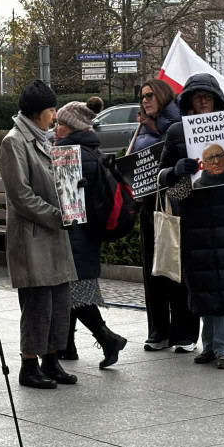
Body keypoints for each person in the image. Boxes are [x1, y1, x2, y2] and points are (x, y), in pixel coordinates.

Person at [159, 73, 224, 369]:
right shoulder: (176, 133)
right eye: (197, 97)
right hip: (194, 217)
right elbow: (160, 179)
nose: (203, 102)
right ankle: (209, 344)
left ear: (216, 101)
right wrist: (176, 170)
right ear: (187, 101)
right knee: (202, 284)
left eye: (208, 97)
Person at [0, 80, 79, 389]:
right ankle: (29, 364)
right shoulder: (14, 142)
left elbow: (56, 182)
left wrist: (74, 193)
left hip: (54, 232)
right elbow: (20, 195)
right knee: (37, 304)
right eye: (51, 109)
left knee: (59, 300)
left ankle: (51, 359)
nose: (55, 115)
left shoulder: (45, 139)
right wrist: (58, 215)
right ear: (36, 112)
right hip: (33, 236)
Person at [54, 101, 128, 368]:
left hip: (74, 232)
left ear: (71, 127)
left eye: (59, 123)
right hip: (88, 231)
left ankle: (109, 339)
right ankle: (67, 346)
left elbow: (63, 197)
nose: (55, 128)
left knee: (76, 293)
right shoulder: (90, 148)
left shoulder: (68, 151)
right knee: (72, 291)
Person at [130, 78, 196, 352]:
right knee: (152, 270)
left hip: (175, 204)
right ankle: (158, 332)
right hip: (148, 204)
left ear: (163, 96)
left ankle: (185, 333)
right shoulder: (141, 128)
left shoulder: (178, 125)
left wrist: (155, 128)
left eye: (150, 96)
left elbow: (183, 160)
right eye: (142, 97)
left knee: (177, 270)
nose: (145, 101)